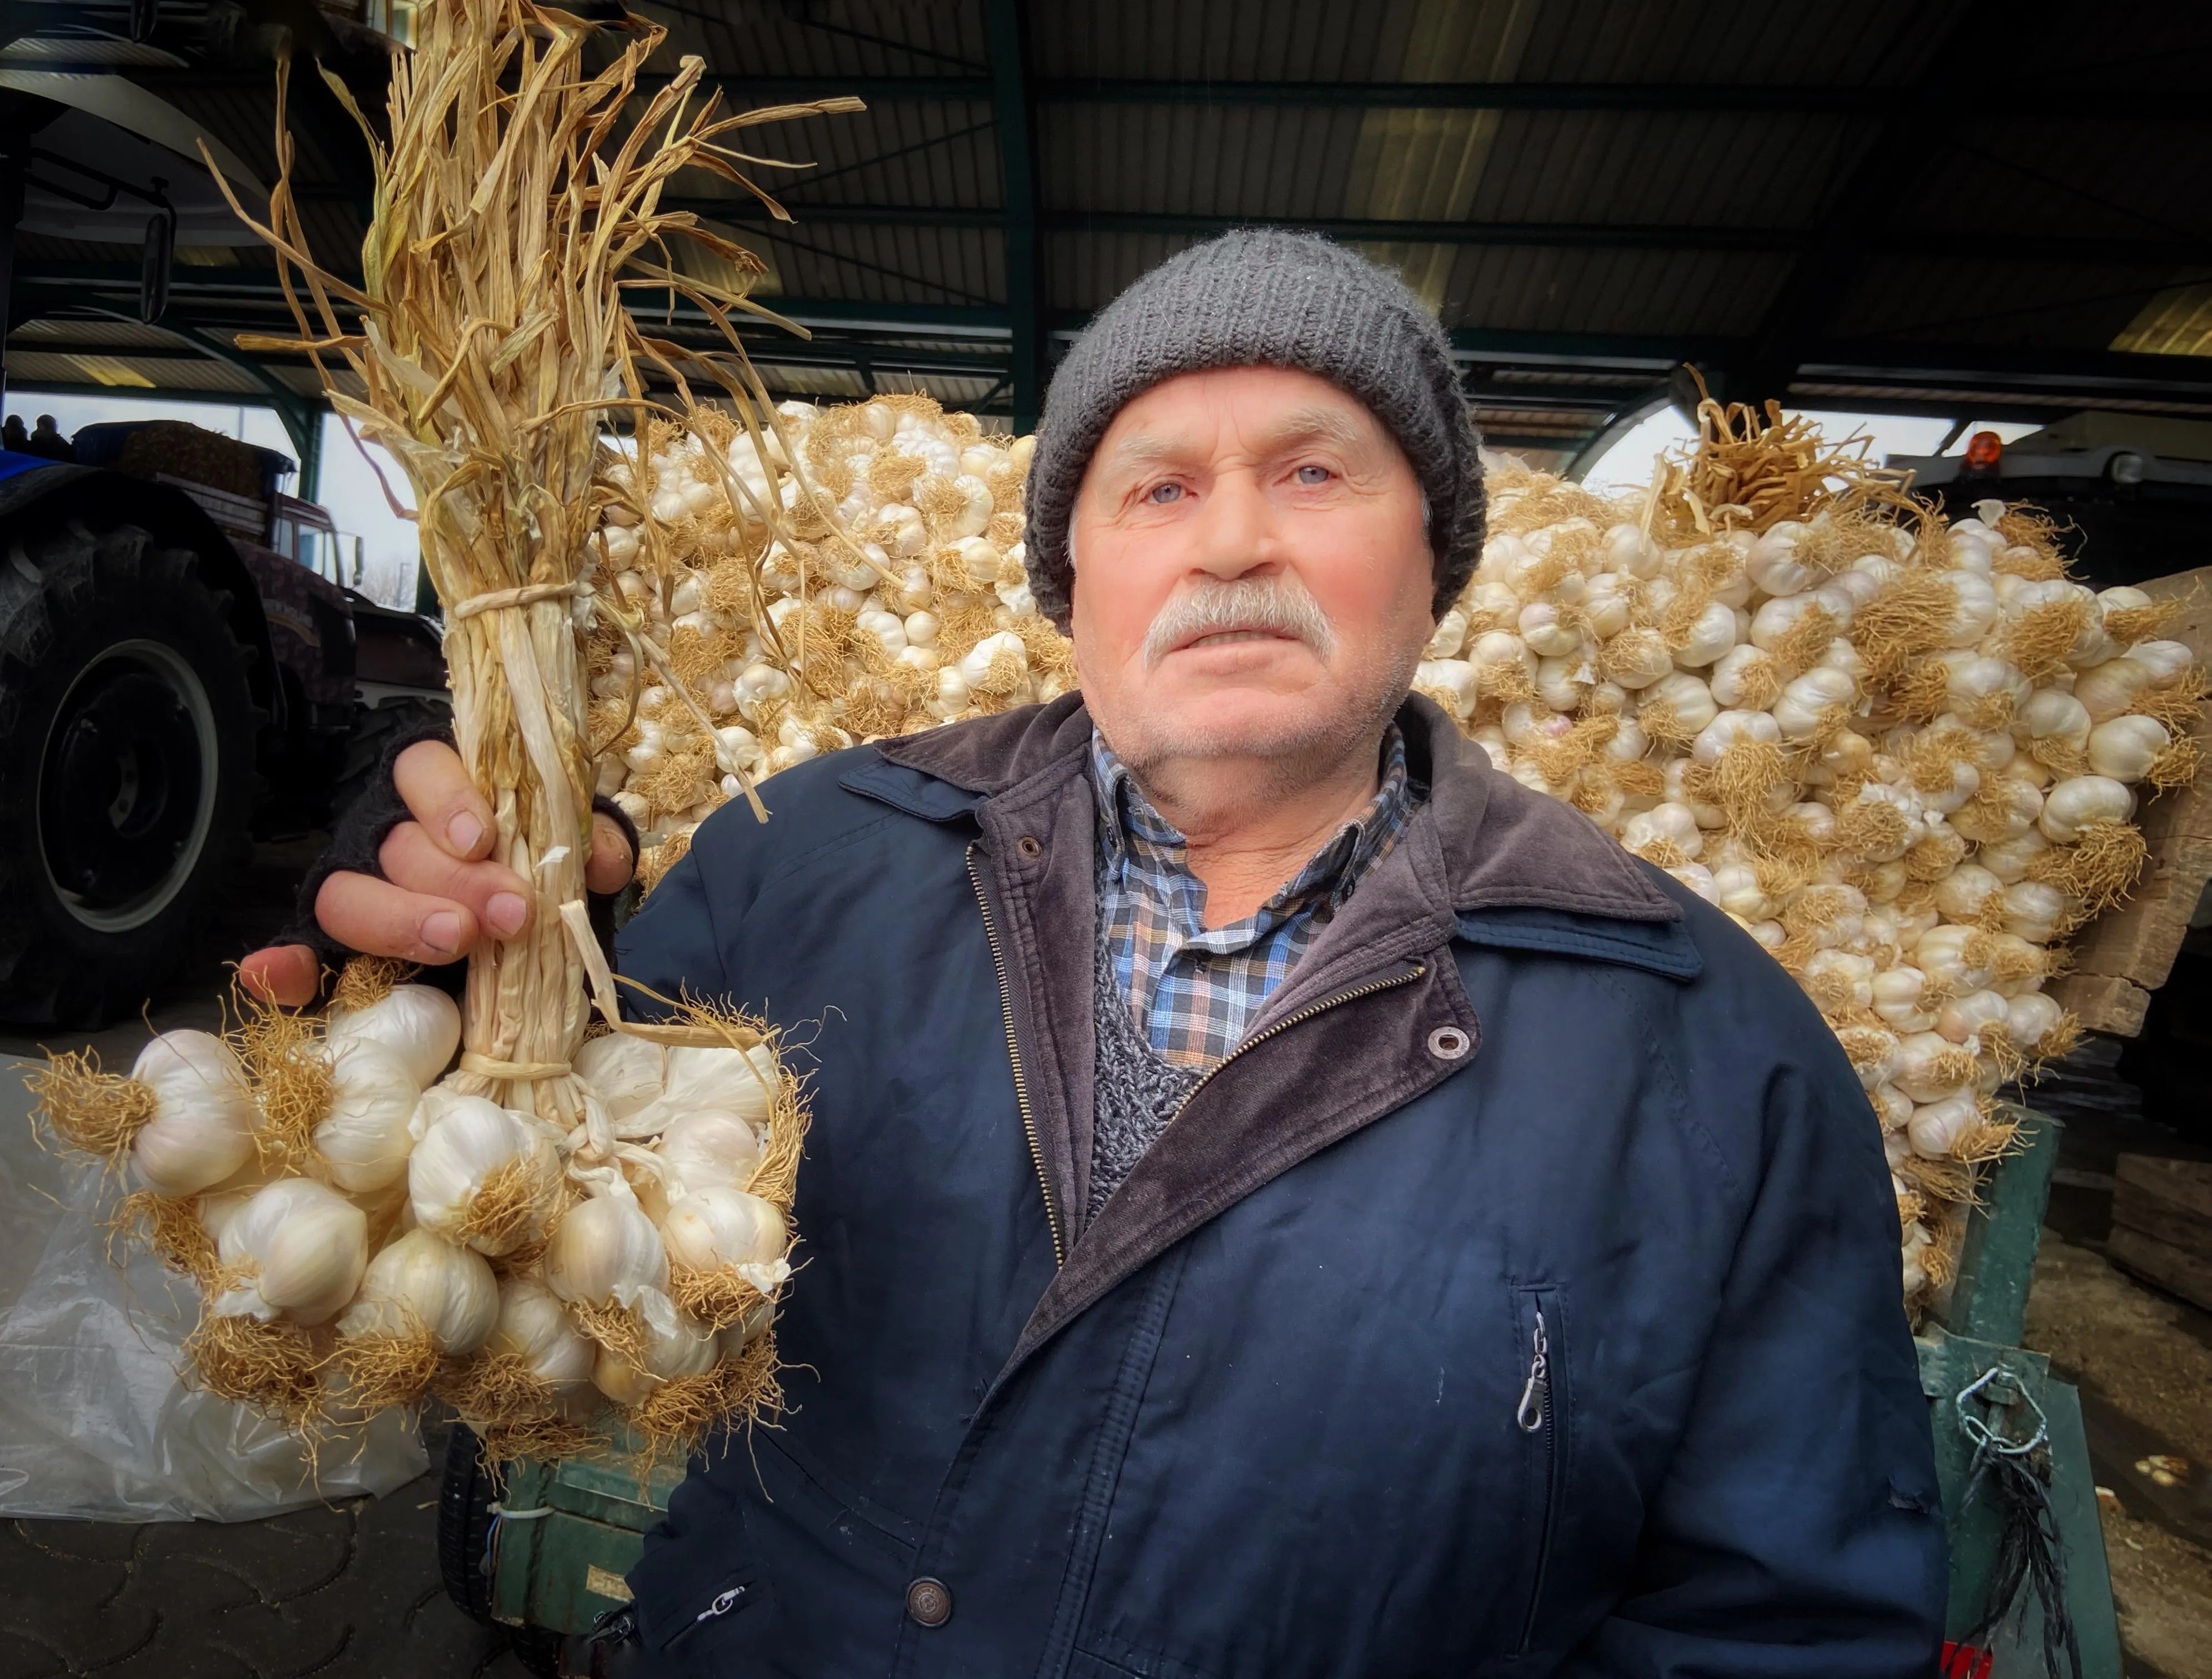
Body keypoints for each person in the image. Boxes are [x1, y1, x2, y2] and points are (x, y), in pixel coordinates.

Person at [244, 229, 1944, 1676]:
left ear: (1436, 565)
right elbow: (536, 1130)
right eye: (1158, 488)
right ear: (1076, 576)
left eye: (1310, 472)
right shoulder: (810, 852)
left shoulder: (1715, 1049)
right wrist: (459, 947)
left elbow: (1781, 1625)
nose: (1227, 546)